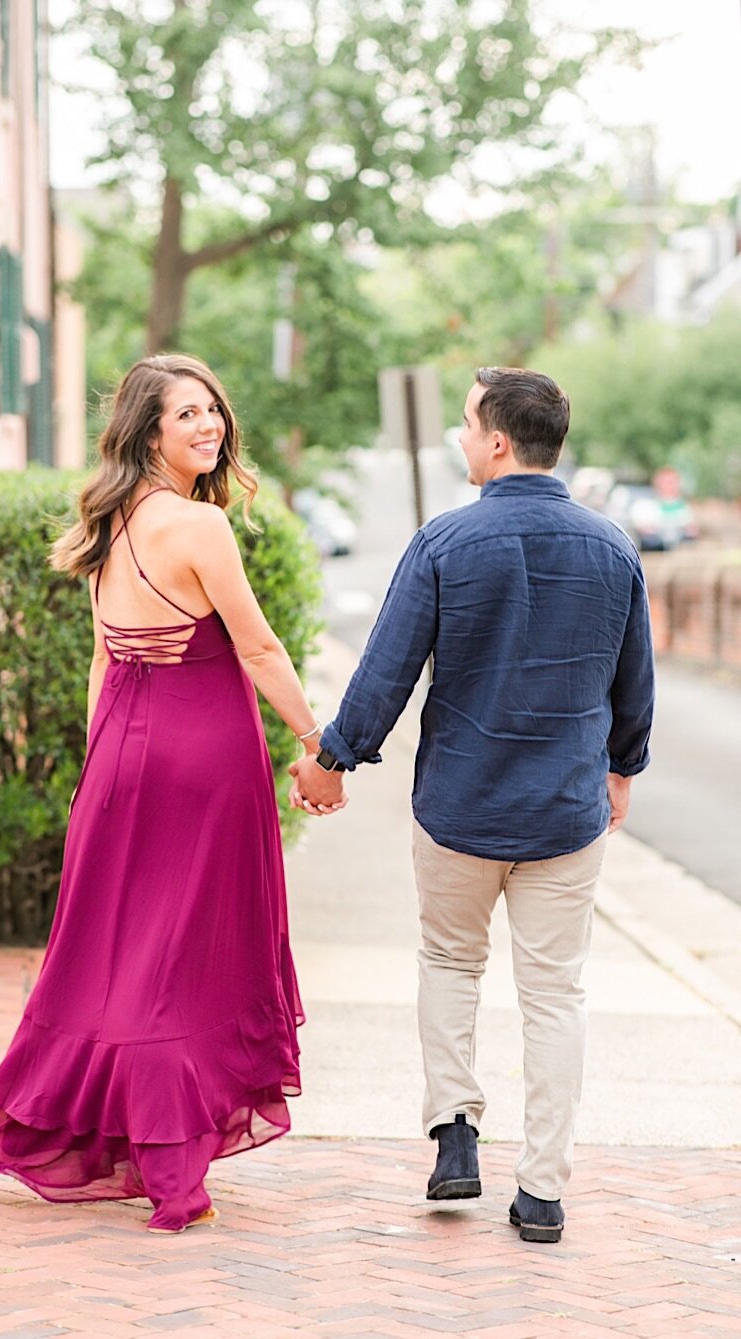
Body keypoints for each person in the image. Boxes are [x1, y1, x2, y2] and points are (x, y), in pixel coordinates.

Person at [0, 354, 318, 1233]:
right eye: (187, 414)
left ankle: (118, 1138)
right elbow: (260, 649)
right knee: (183, 961)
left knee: (119, 954)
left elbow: (101, 658)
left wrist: (98, 775)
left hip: (122, 754)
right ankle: (172, 1169)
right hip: (204, 762)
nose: (208, 427)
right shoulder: (200, 529)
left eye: (214, 412)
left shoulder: (108, 521)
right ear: (148, 431)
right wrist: (317, 741)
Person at [290, 367, 654, 1245]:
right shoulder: (613, 548)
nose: (458, 439)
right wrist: (622, 766)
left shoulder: (445, 543)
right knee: (555, 992)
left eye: (465, 426)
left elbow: (386, 670)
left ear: (497, 441)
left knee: (451, 963)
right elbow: (633, 680)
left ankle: (455, 1133)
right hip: (566, 811)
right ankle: (541, 1191)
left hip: (459, 804)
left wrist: (333, 756)